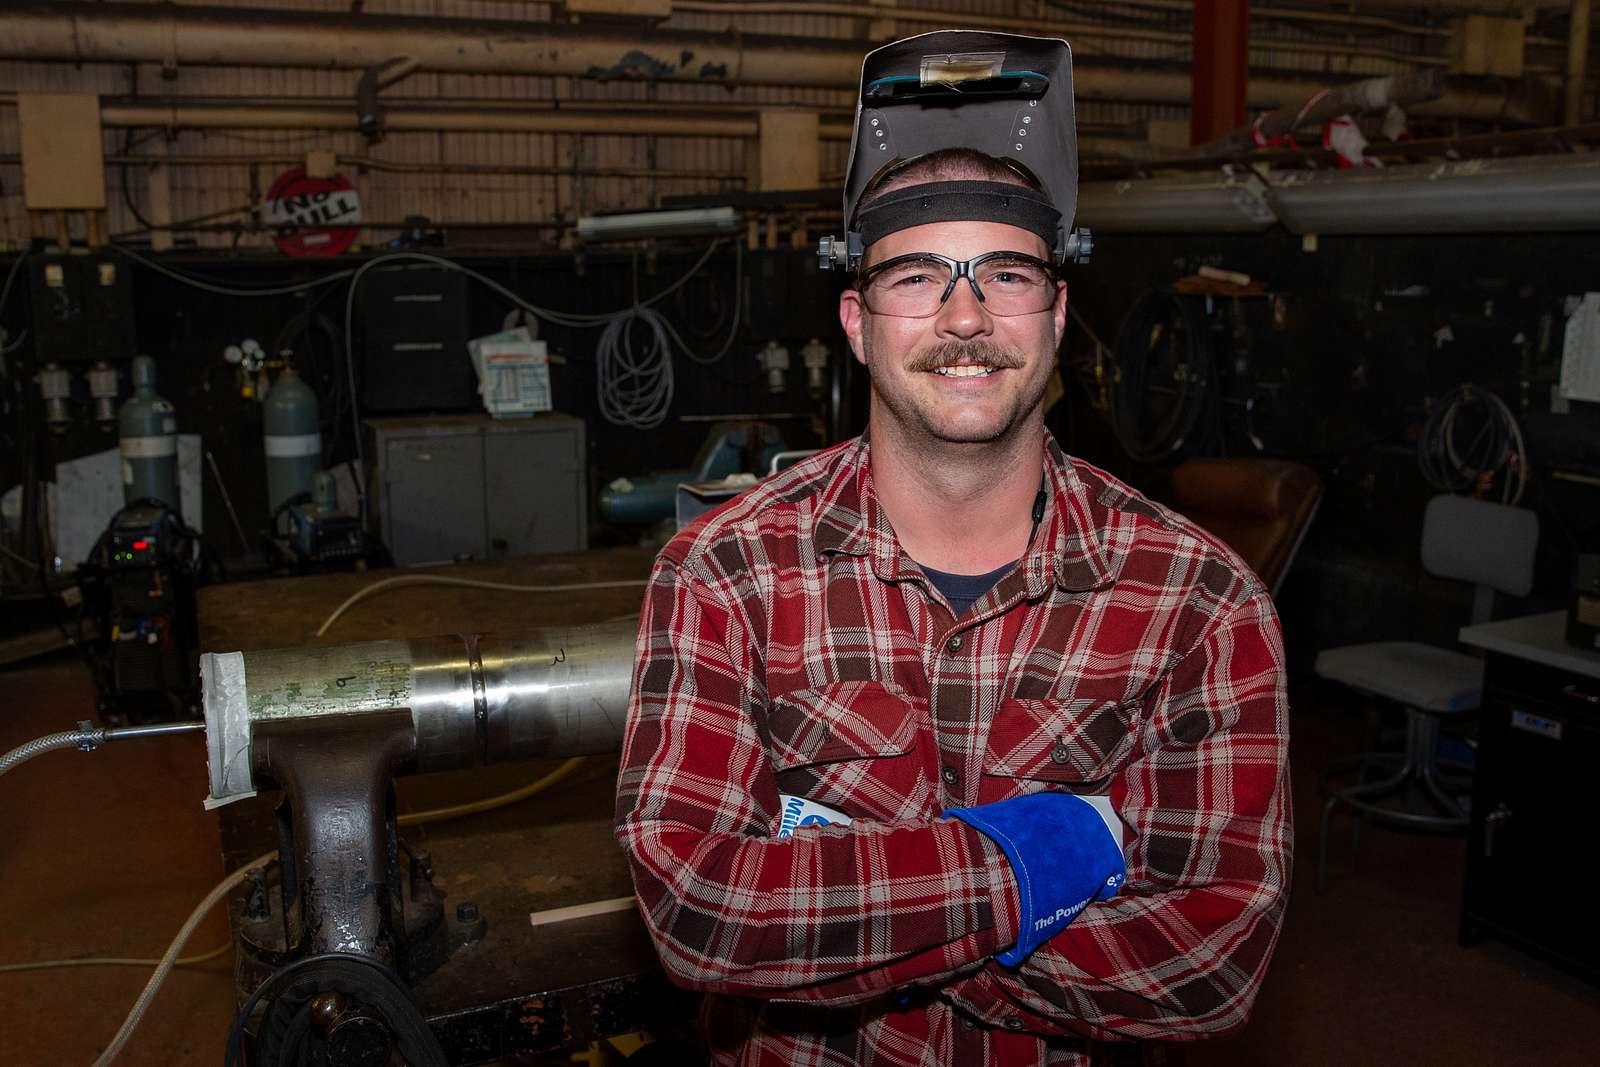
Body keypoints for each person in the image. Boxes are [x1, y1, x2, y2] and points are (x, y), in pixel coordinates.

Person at [615, 32, 1291, 1067]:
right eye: (919, 275)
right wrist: (1033, 868)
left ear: (1057, 314)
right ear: (855, 320)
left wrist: (833, 911)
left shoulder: (1198, 601)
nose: (965, 316)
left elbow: (1209, 960)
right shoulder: (724, 573)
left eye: (1006, 274)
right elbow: (701, 910)